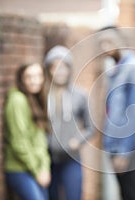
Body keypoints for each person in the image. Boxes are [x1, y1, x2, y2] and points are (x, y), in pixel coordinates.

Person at [98, 26, 135, 200]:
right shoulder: (117, 68)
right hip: (115, 143)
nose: (104, 47)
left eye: (108, 42)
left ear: (120, 41)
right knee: (124, 193)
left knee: (129, 193)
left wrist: (124, 152)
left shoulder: (133, 67)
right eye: (101, 43)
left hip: (126, 145)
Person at [44, 45, 94, 200]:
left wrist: (77, 142)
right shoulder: (42, 95)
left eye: (63, 67)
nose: (59, 71)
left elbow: (90, 127)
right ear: (49, 70)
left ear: (69, 69)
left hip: (71, 159)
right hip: (46, 160)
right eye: (55, 67)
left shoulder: (80, 94)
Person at [4, 63, 51, 200]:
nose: (34, 80)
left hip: (37, 169)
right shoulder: (17, 100)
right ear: (22, 79)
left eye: (38, 76)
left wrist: (45, 168)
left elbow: (41, 141)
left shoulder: (35, 99)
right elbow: (19, 141)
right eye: (29, 76)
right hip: (19, 169)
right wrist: (37, 171)